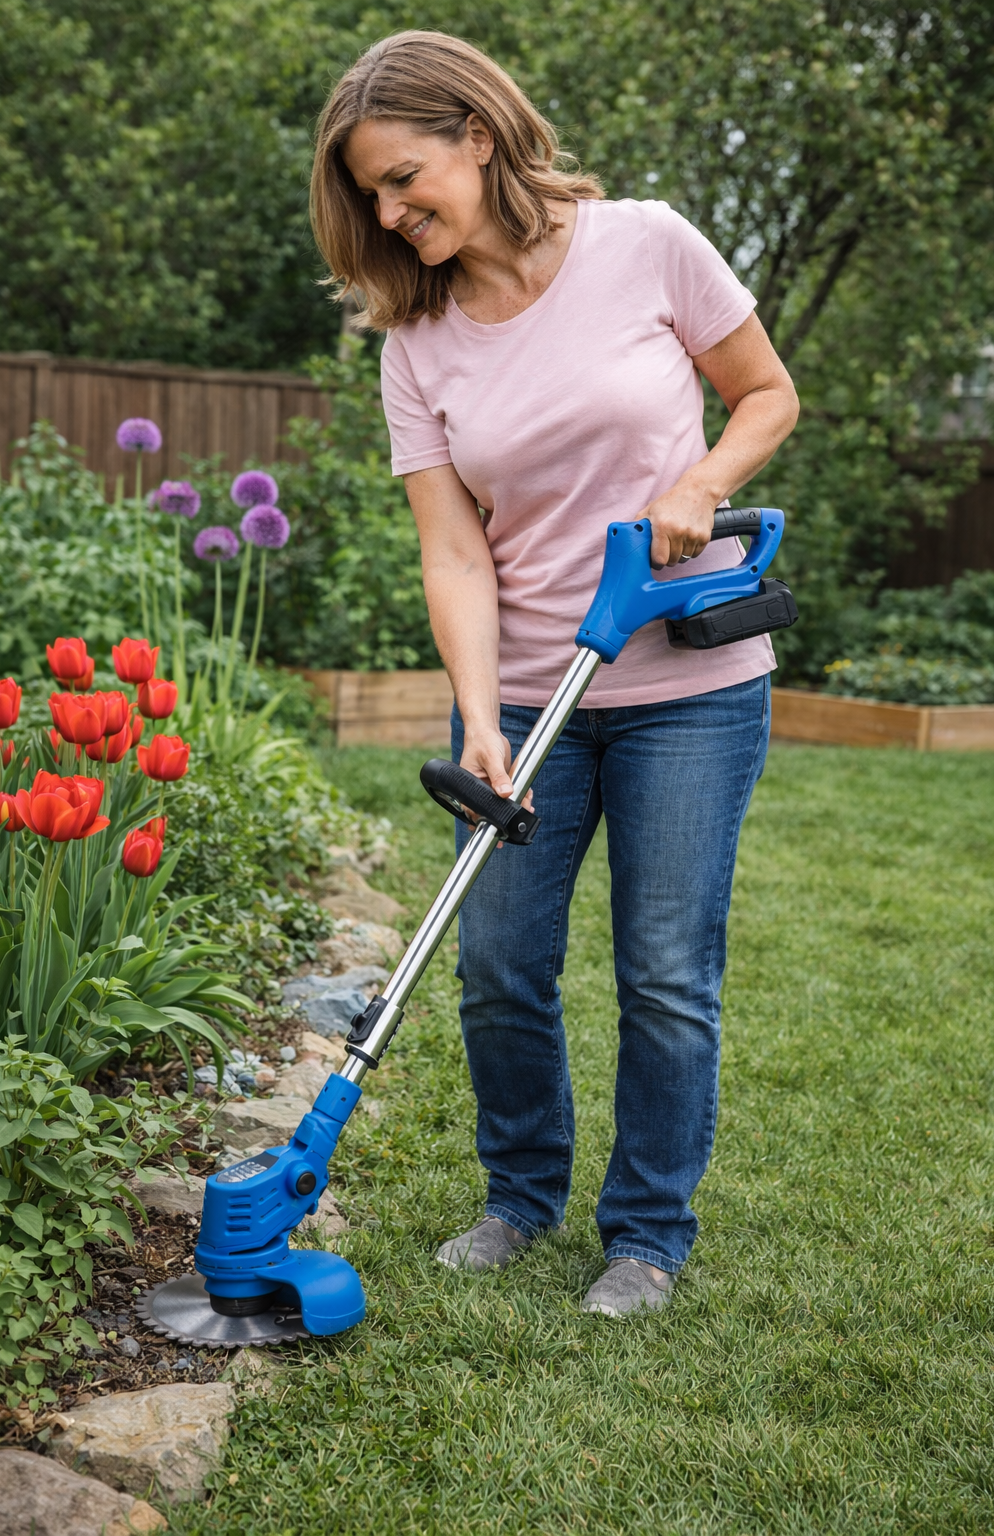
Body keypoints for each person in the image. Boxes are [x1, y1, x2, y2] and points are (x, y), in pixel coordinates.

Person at [311, 31, 798, 1317]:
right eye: (370, 194)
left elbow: (765, 394)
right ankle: (520, 1197)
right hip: (530, 694)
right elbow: (453, 551)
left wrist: (700, 483)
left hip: (688, 689)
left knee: (665, 972)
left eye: (403, 177)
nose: (388, 213)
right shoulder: (416, 344)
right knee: (499, 966)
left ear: (477, 135)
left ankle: (645, 1234)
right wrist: (478, 717)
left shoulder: (645, 243)